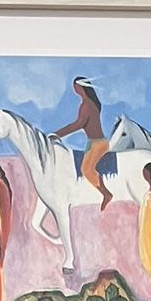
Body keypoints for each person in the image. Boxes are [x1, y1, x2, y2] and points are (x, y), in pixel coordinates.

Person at [52, 76, 113, 209]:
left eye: (75, 86)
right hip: (92, 143)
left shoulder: (86, 105)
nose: (74, 88)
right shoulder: (90, 103)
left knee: (86, 169)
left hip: (98, 144)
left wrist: (57, 134)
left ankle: (106, 193)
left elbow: (78, 124)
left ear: (80, 87)